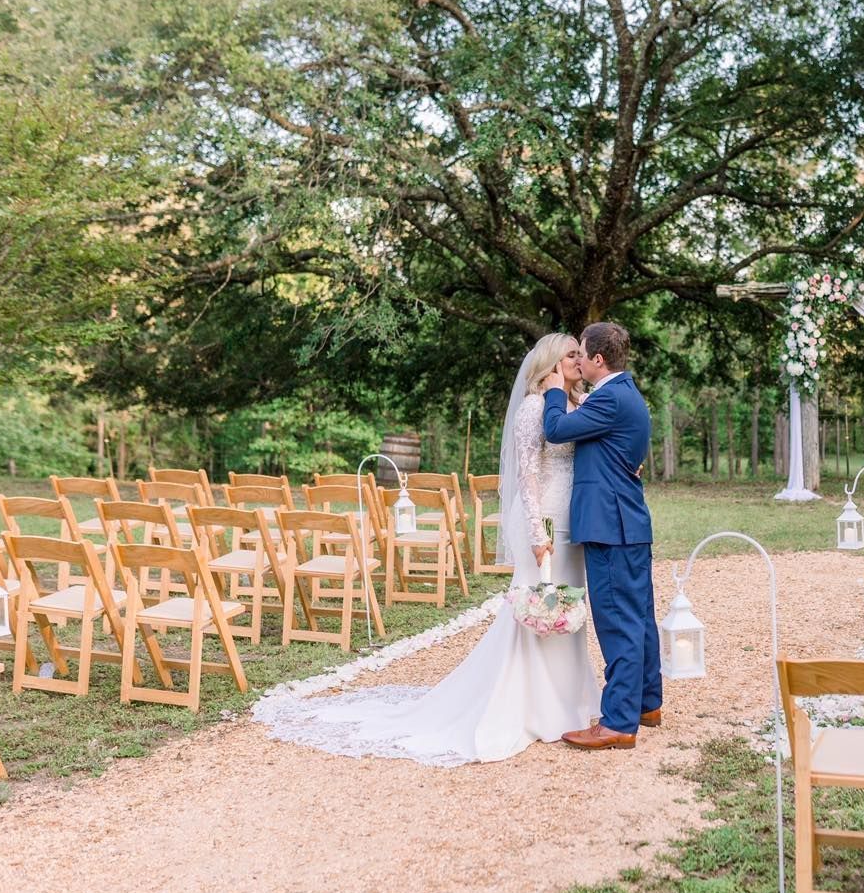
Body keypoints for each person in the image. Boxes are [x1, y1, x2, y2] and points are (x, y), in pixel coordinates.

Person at [254, 333, 598, 765]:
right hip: (545, 519)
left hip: (574, 520)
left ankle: (569, 700)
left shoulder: (579, 404)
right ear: (550, 363)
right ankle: (533, 706)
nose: (579, 359)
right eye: (571, 354)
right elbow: (527, 476)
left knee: (569, 607)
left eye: (580, 354)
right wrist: (535, 531)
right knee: (537, 608)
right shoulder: (533, 408)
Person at [542, 321, 659, 751]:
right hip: (626, 523)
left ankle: (618, 722)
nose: (576, 359)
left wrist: (555, 388)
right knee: (639, 617)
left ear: (597, 359)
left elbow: (555, 429)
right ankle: (647, 703)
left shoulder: (609, 397)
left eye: (582, 352)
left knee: (617, 620)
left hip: (612, 527)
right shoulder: (624, 394)